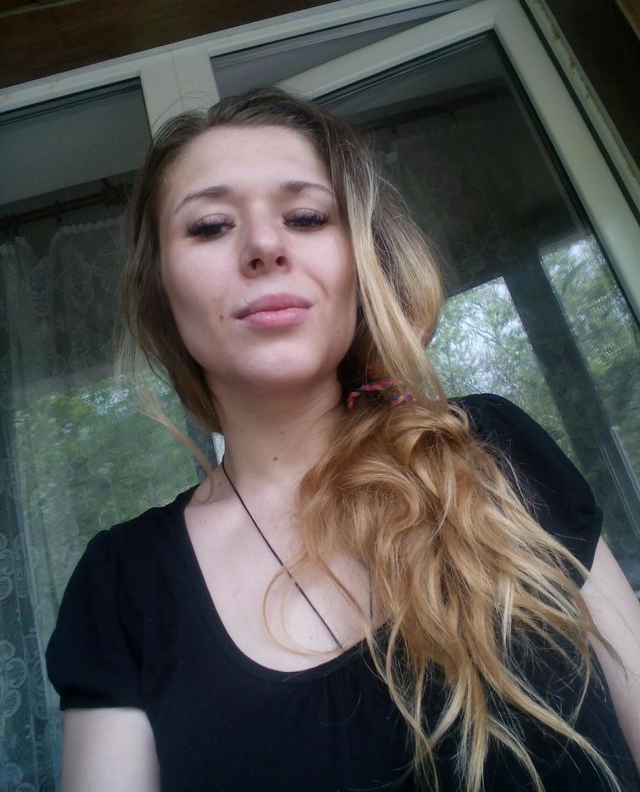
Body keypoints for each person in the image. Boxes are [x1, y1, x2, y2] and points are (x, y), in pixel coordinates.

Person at [46, 88, 640, 792]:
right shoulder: (121, 585)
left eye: (306, 216)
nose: (265, 246)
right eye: (209, 225)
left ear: (358, 262)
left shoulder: (491, 449)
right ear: (160, 290)